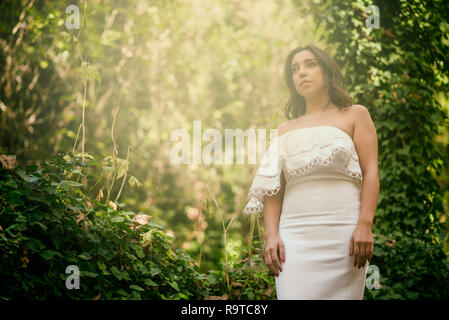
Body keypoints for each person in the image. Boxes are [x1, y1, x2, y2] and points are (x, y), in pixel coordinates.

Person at [243, 45, 379, 299]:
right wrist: (271, 235)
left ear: (327, 71)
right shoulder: (284, 130)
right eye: (295, 69)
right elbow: (274, 189)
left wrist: (364, 225)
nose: (301, 73)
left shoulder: (355, 115)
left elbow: (371, 172)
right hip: (295, 239)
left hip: (345, 237)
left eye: (310, 64)